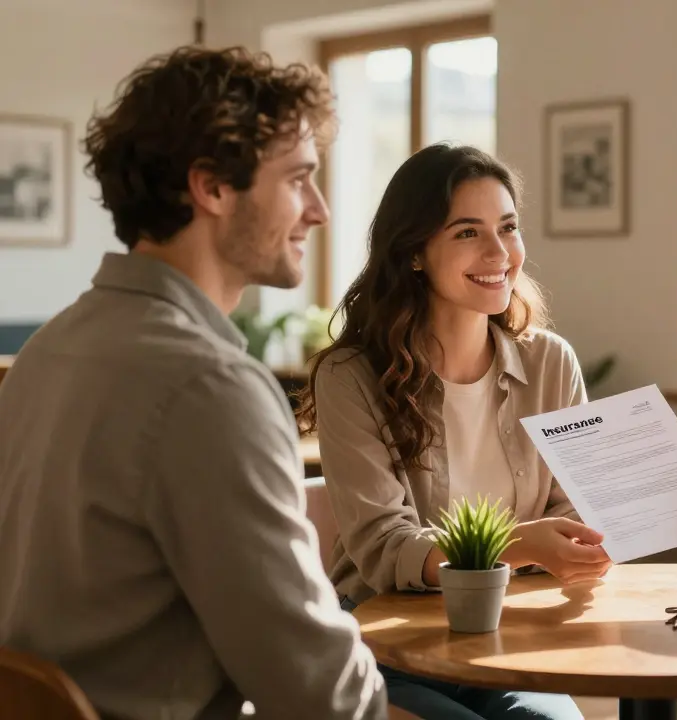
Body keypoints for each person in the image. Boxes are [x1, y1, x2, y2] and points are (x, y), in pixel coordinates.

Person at [0, 46, 406, 719]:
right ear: (212, 186)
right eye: (300, 179)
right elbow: (322, 698)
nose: (321, 210)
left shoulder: (49, 351)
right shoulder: (211, 388)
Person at [294, 143, 609, 720]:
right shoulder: (352, 375)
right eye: (468, 232)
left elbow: (576, 511)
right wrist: (519, 543)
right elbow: (385, 548)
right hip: (384, 647)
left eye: (508, 227)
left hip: (507, 640)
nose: (499, 252)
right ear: (415, 251)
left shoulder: (551, 363)